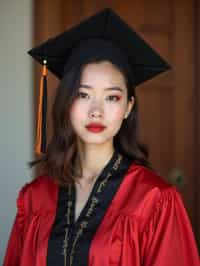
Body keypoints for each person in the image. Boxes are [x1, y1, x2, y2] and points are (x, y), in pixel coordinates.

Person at [3, 8, 200, 266]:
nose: (96, 111)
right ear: (66, 103)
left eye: (112, 97)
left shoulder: (154, 200)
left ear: (128, 107)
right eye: (83, 95)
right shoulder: (34, 198)